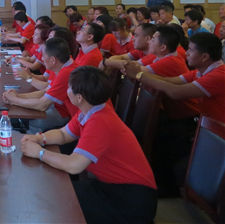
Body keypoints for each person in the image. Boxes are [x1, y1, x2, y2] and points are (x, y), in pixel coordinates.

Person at [20, 66, 157, 224]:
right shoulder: (91, 109)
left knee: (57, 200)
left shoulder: (100, 121)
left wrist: (39, 153)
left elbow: (74, 165)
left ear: (79, 97)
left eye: (69, 87)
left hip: (130, 200)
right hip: (110, 186)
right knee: (57, 192)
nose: (67, 90)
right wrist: (40, 139)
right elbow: (64, 134)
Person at [124, 33, 224, 196]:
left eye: (191, 50)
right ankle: (154, 185)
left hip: (217, 136)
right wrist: (138, 73)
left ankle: (167, 190)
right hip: (204, 128)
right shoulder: (201, 71)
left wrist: (139, 75)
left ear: (205, 56)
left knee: (171, 153)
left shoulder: (218, 75)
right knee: (160, 138)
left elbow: (176, 92)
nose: (186, 53)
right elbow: (170, 81)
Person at [4, 37, 79, 134]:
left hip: (66, 113)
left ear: (53, 60)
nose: (42, 59)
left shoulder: (66, 73)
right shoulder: (64, 66)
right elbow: (45, 91)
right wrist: (17, 96)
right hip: (57, 106)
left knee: (34, 121)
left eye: (43, 56)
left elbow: (42, 105)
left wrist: (14, 100)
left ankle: (33, 140)